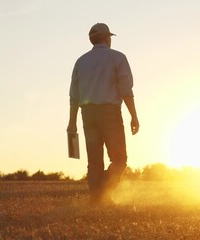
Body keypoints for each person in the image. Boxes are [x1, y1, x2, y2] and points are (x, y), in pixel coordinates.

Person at [67, 23, 139, 205]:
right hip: (110, 113)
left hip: (87, 114)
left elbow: (74, 96)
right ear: (107, 38)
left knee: (94, 162)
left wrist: (72, 122)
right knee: (119, 159)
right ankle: (102, 194)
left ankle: (95, 199)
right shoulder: (118, 58)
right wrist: (134, 115)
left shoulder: (80, 61)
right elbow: (125, 89)